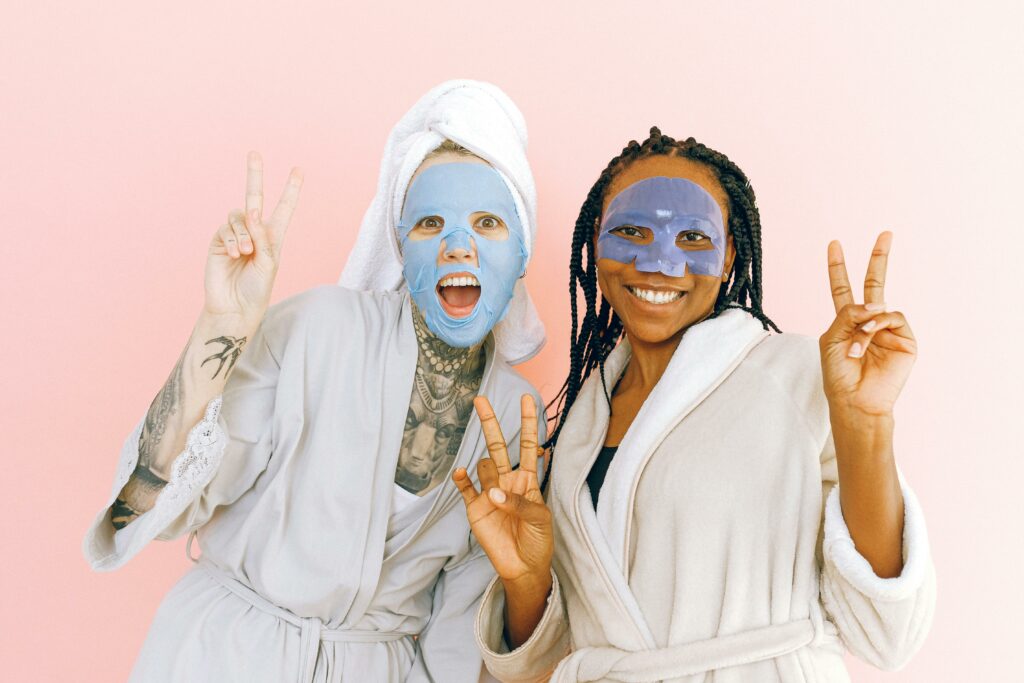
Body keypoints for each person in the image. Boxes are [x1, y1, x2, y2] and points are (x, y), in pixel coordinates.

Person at [83, 79, 545, 682]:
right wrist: (217, 331)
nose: (459, 246)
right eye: (430, 223)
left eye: (488, 222)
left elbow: (459, 627)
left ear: (523, 252)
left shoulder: (517, 413)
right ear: (402, 246)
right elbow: (165, 505)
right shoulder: (317, 328)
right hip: (222, 657)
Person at [454, 128, 935, 682]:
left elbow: (887, 630)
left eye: (692, 238)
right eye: (631, 231)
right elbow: (548, 661)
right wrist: (526, 578)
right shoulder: (578, 430)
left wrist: (864, 423)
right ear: (595, 243)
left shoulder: (798, 376)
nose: (659, 263)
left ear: (729, 255)